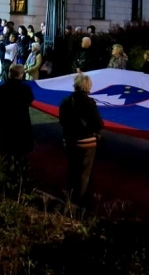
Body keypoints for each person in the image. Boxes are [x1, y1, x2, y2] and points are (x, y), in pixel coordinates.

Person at [59, 73, 104, 206]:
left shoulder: (65, 101)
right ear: (87, 86)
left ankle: (69, 197)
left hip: (69, 140)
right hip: (86, 141)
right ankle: (78, 203)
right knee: (84, 173)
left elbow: (62, 121)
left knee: (72, 169)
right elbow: (99, 124)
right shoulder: (89, 103)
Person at [0, 64, 35, 171]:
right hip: (21, 124)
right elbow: (29, 101)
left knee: (5, 155)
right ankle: (21, 173)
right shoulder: (26, 89)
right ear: (21, 75)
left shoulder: (1, 89)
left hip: (5, 124)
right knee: (21, 155)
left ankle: (5, 172)